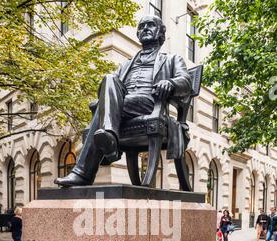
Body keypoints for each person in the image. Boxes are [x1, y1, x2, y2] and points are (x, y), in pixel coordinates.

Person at [54, 15, 192, 187]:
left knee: (102, 109)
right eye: (141, 26)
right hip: (124, 107)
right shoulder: (126, 65)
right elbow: (108, 90)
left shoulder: (171, 59)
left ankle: (85, 171)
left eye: (150, 25)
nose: (145, 29)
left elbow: (186, 82)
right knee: (109, 78)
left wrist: (170, 82)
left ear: (160, 32)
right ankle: (109, 136)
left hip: (149, 104)